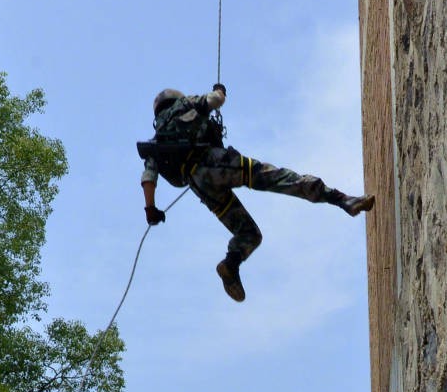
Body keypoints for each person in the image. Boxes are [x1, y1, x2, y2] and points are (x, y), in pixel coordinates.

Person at [138, 85, 375, 303]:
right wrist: (220, 91)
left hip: (201, 187)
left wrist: (151, 210)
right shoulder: (185, 105)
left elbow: (149, 178)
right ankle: (342, 200)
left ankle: (231, 264)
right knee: (275, 178)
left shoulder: (157, 143)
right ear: (174, 99)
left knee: (249, 233)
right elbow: (215, 100)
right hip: (216, 164)